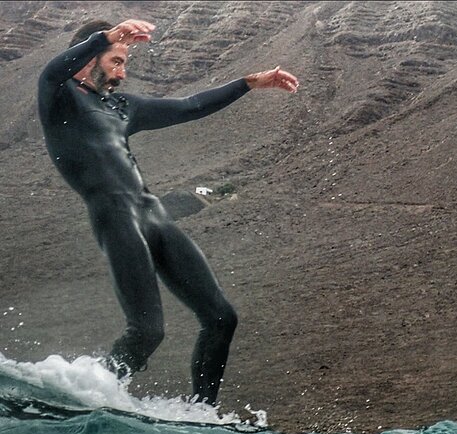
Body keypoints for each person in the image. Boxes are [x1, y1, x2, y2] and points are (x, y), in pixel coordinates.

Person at [37, 18, 299, 406]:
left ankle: (204, 415)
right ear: (88, 58)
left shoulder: (122, 106)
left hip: (153, 215)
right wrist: (104, 37)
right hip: (115, 217)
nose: (122, 73)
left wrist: (247, 83)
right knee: (147, 331)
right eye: (115, 61)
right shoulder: (59, 98)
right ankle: (83, 398)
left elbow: (188, 106)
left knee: (222, 318)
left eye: (124, 63)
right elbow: (53, 69)